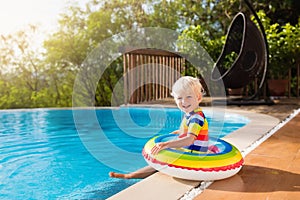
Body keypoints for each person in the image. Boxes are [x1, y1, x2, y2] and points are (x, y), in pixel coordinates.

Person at [109, 76, 209, 179]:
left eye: (189, 97)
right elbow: (193, 130)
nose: (184, 102)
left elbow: (189, 140)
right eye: (179, 98)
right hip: (190, 151)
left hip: (194, 156)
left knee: (162, 154)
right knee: (161, 154)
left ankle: (130, 175)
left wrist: (166, 144)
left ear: (198, 97)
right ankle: (131, 175)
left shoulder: (196, 117)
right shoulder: (191, 113)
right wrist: (179, 132)